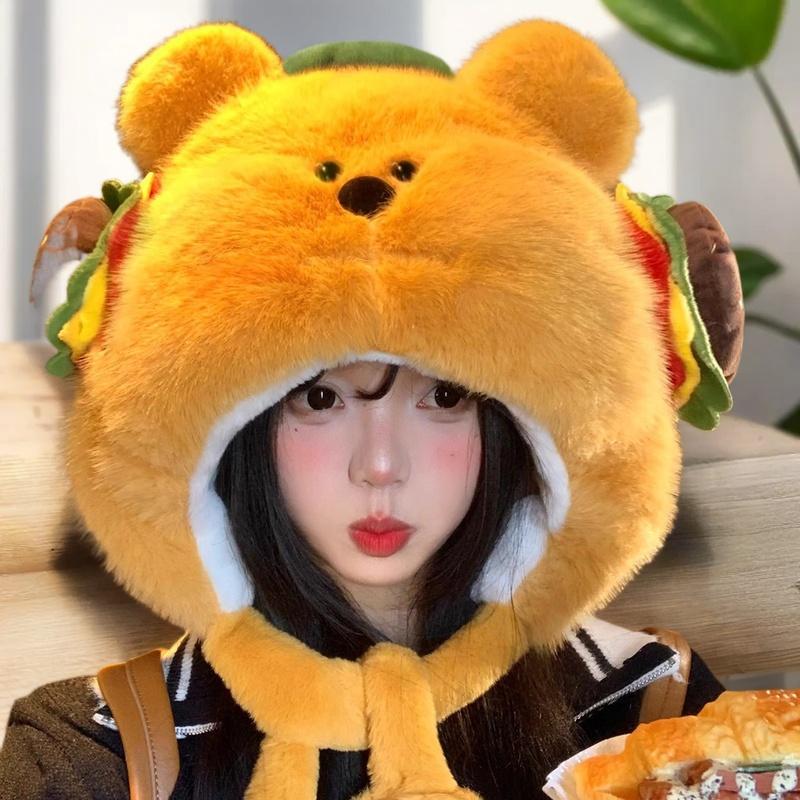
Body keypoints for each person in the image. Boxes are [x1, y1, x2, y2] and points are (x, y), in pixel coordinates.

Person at [0, 17, 742, 800]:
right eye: (319, 399)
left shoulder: (657, 716)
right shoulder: (101, 749)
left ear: (520, 428)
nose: (380, 466)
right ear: (229, 431)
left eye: (444, 397)